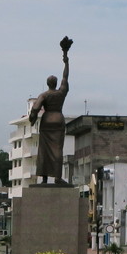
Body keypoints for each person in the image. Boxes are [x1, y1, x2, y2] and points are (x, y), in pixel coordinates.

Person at [29, 36, 72, 185]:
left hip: (47, 121)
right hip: (58, 120)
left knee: (44, 151)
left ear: (47, 84)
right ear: (55, 83)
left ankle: (45, 178)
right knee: (57, 150)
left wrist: (32, 119)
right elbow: (65, 76)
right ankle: (58, 178)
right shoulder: (61, 93)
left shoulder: (44, 95)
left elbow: (35, 108)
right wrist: (66, 60)